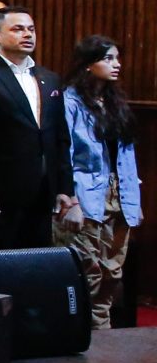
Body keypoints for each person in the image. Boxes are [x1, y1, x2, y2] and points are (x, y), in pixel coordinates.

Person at [0, 5, 75, 250]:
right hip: (0, 192)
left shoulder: (49, 78)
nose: (27, 34)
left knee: (36, 261)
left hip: (42, 191)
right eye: (18, 29)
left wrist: (65, 188)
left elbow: (60, 138)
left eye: (31, 29)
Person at [58, 37, 140, 329]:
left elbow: (126, 154)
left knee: (112, 272)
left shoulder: (115, 101)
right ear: (88, 64)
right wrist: (71, 200)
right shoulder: (70, 101)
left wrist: (134, 197)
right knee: (87, 269)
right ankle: (84, 333)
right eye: (108, 59)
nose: (116, 65)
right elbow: (64, 153)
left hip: (120, 194)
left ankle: (101, 331)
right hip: (86, 194)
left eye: (117, 58)